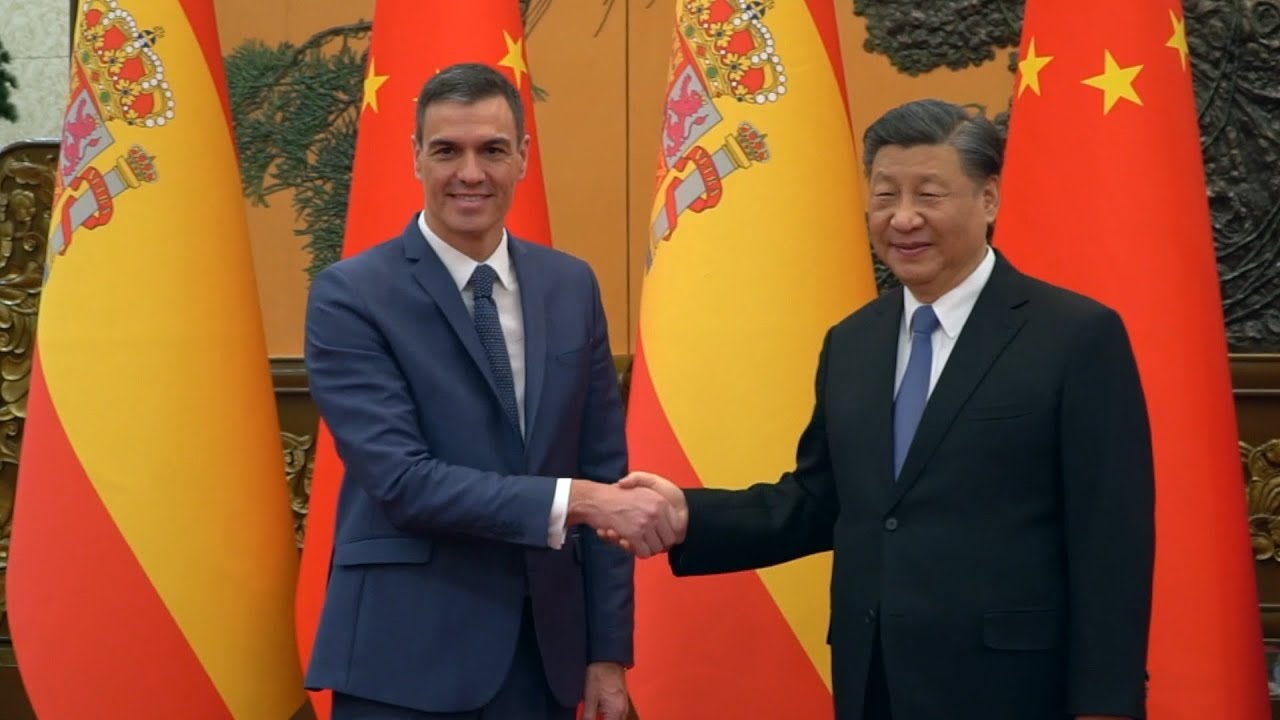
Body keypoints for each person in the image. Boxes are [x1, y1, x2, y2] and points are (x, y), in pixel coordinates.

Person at [615, 99, 1155, 720]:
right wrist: (688, 515)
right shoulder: (853, 342)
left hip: (1014, 688)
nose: (903, 218)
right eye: (885, 195)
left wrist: (1107, 704)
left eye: (929, 195)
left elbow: (1110, 540)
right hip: (873, 682)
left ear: (988, 199)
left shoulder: (1074, 336)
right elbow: (819, 501)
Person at [304, 63, 677, 720]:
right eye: (447, 150)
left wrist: (606, 653)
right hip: (404, 662)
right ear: (416, 156)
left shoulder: (571, 287)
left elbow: (603, 469)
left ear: (523, 157)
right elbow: (403, 482)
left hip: (545, 662)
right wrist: (578, 500)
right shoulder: (352, 296)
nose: (470, 173)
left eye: (493, 150)